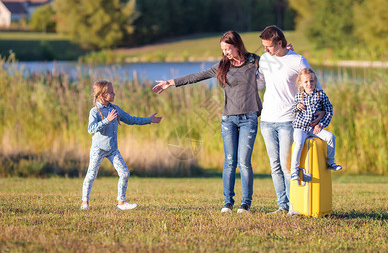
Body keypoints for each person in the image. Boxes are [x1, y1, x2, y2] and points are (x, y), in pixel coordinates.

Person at [152, 31, 261, 214]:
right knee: (229, 161)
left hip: (249, 118)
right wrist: (171, 82)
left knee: (244, 162)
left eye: (227, 48)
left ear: (237, 45)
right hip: (228, 120)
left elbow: (275, 63)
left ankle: (245, 204)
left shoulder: (254, 60)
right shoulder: (221, 66)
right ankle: (228, 202)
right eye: (222, 49)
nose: (225, 52)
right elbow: (198, 76)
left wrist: (288, 52)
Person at [257, 25, 324, 214]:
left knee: (287, 166)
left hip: (289, 119)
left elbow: (314, 85)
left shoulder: (297, 60)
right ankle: (282, 206)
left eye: (269, 46)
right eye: (263, 46)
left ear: (280, 43)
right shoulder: (265, 59)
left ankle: (294, 206)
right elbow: (259, 82)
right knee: (275, 166)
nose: (266, 50)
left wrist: (320, 112)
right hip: (267, 119)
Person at [81, 80, 162, 211]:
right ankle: (85, 202)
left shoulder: (115, 109)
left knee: (124, 173)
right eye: (111, 92)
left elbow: (130, 119)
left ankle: (121, 203)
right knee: (91, 175)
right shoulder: (94, 112)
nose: (114, 94)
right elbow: (91, 129)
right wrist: (106, 121)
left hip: (113, 150)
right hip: (98, 149)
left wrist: (149, 120)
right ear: (102, 95)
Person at [290, 68, 342, 181]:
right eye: (306, 82)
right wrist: (296, 106)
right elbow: (292, 112)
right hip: (301, 128)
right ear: (301, 83)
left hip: (314, 129)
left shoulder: (321, 95)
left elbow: (329, 111)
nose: (309, 84)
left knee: (330, 137)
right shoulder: (299, 96)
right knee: (298, 143)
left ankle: (330, 162)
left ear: (315, 81)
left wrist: (321, 124)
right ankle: (294, 170)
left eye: (311, 81)